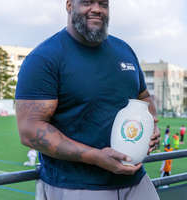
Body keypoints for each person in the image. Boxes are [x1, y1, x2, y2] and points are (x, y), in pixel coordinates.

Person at [15, 0, 160, 200]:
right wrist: (95, 157)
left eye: (103, 3)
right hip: (77, 186)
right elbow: (29, 131)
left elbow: (143, 96)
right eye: (87, 2)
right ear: (68, 5)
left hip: (136, 180)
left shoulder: (124, 50)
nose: (97, 9)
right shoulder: (44, 58)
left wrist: (152, 125)